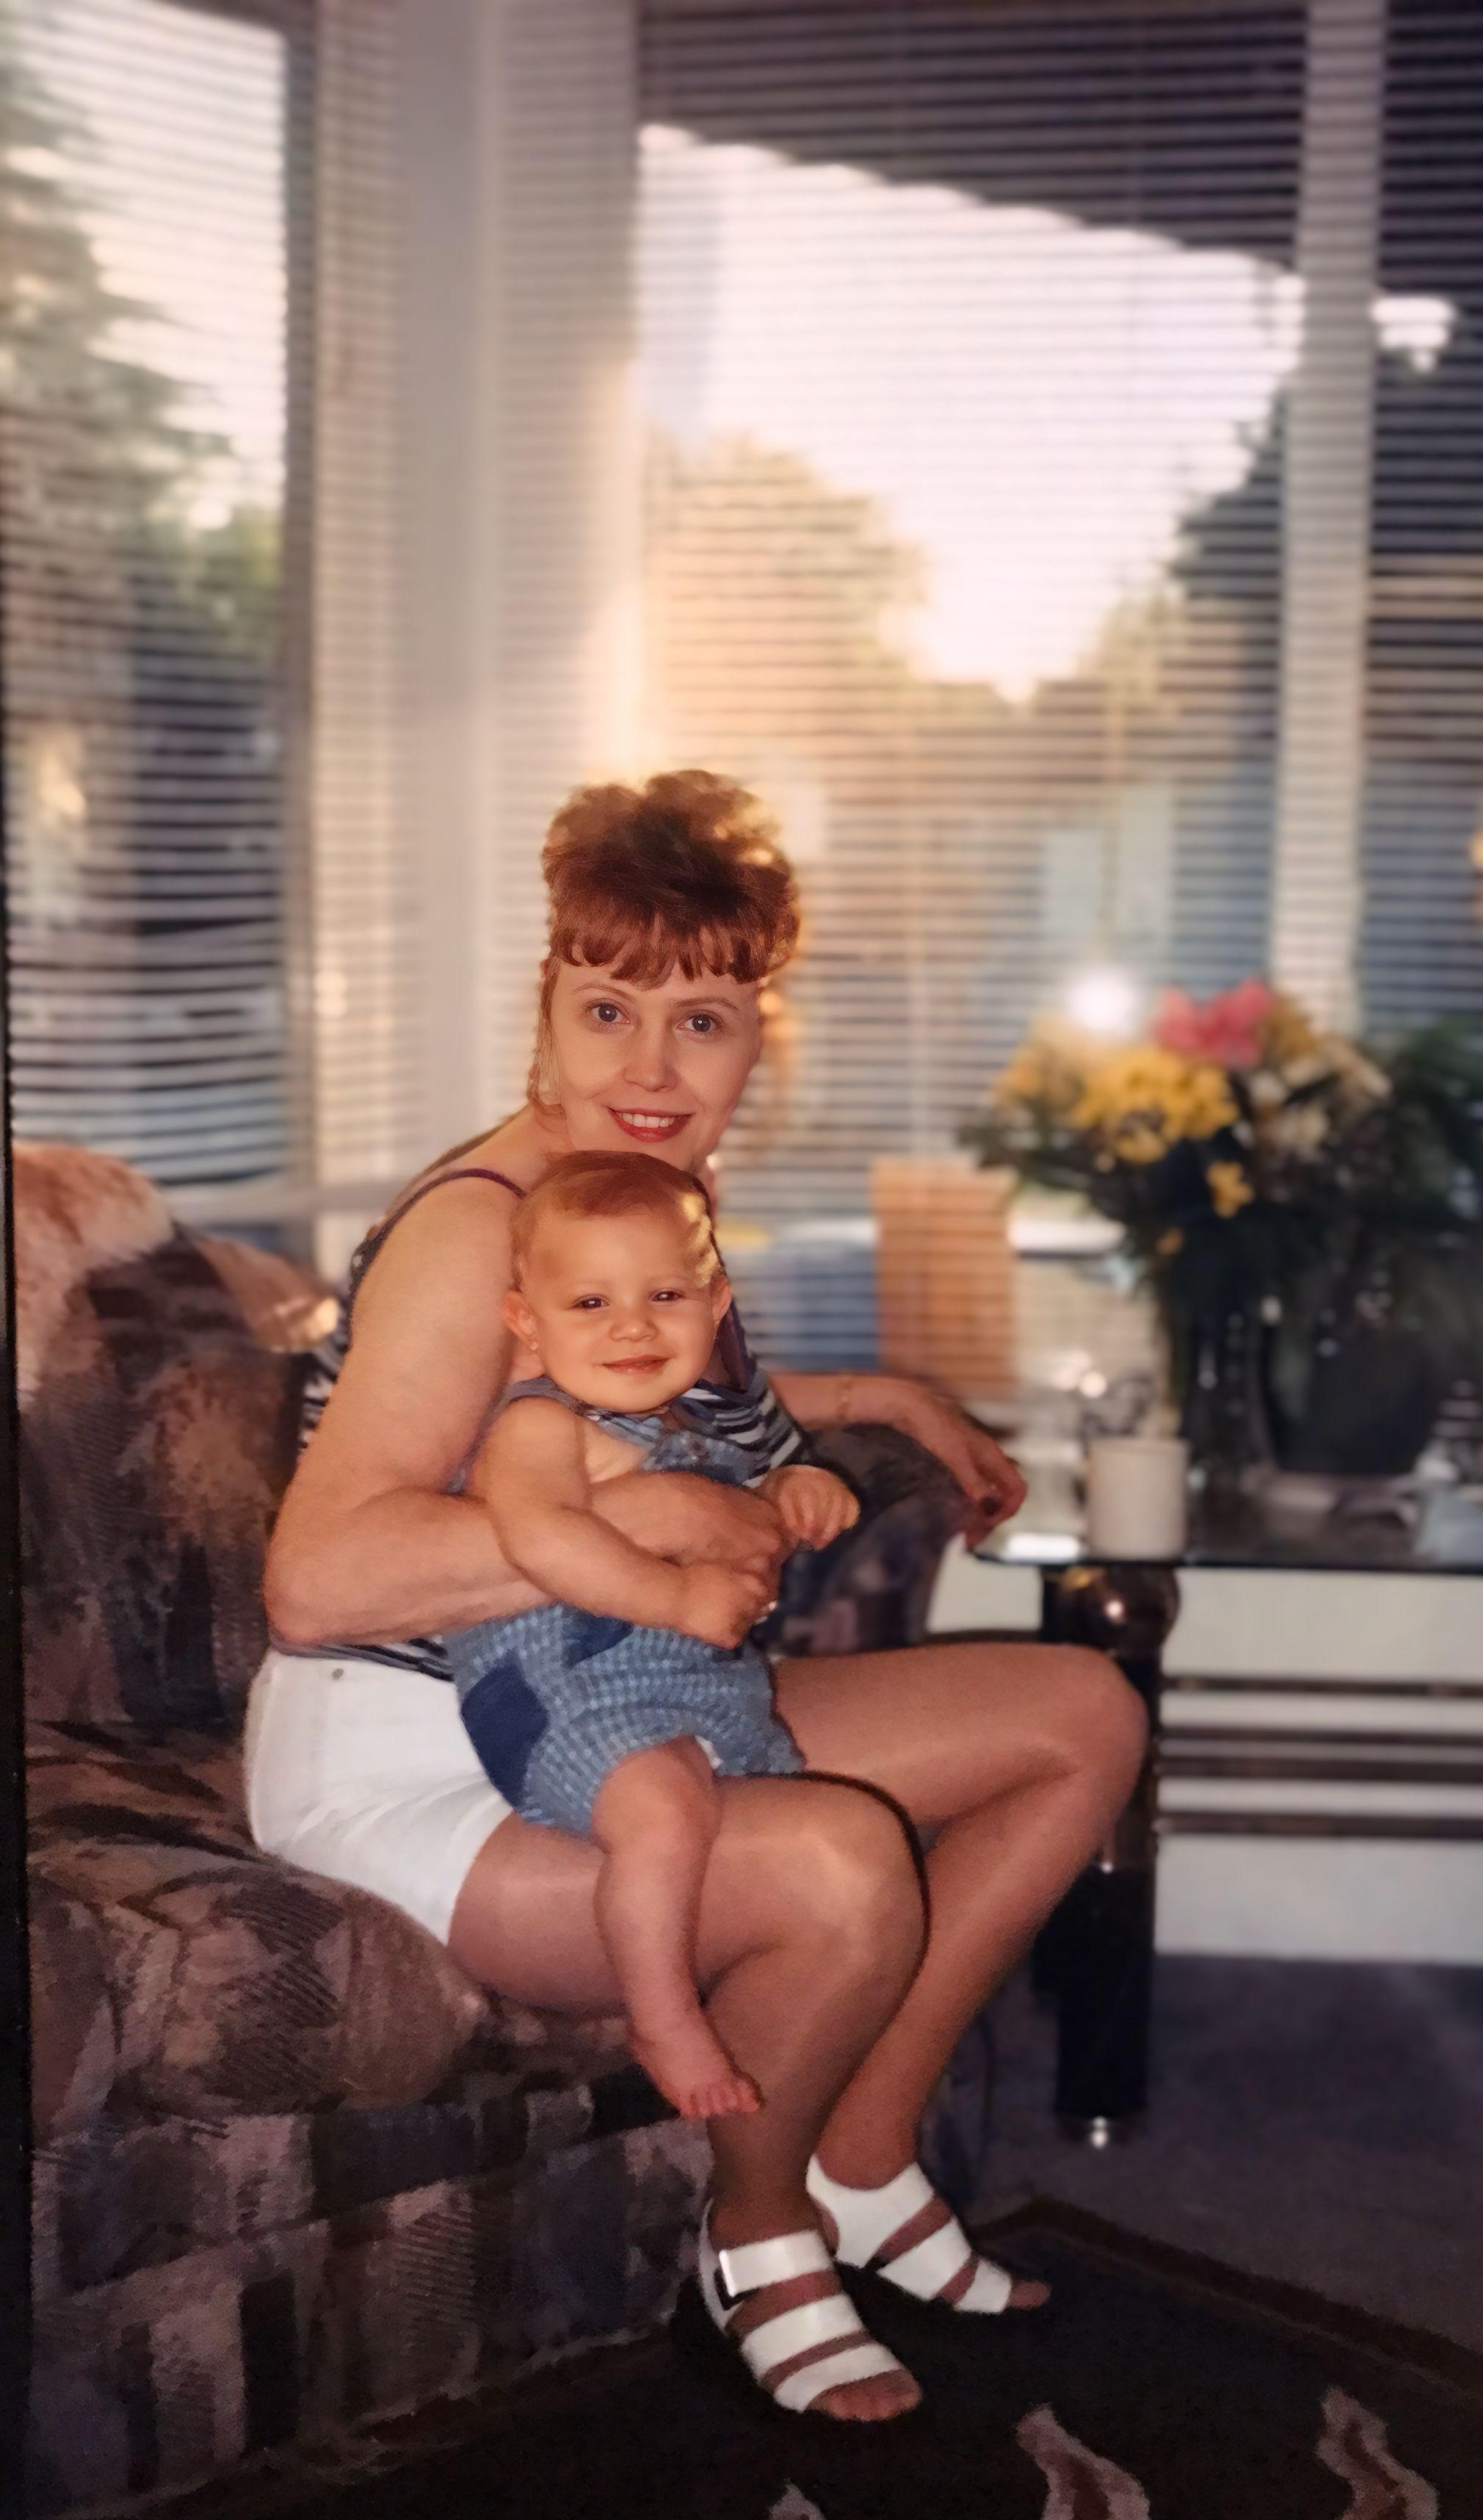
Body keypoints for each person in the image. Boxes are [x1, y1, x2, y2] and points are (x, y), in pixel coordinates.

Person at [252, 768, 1147, 2424]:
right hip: (423, 1750)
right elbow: (315, 1584)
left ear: (760, 1037)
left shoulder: (636, 1199)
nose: (654, 1070)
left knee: (1079, 1713)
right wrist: (657, 1508)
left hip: (622, 1693)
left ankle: (866, 2153)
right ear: (548, 1005)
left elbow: (652, 1383)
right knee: (837, 1861)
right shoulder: (483, 1230)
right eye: (610, 1010)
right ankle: (758, 2227)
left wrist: (876, 1396)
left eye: (706, 1021)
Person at [446, 1148, 855, 2123]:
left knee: (784, 1831)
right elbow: (539, 1538)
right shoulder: (538, 1428)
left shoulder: (695, 1432)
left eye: (664, 1293)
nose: (632, 1324)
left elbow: (731, 1516)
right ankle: (660, 2015)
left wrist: (789, 1491)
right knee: (666, 1820)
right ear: (526, 1325)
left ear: (715, 1305)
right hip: (560, 1694)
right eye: (589, 1304)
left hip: (698, 1696)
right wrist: (673, 1601)